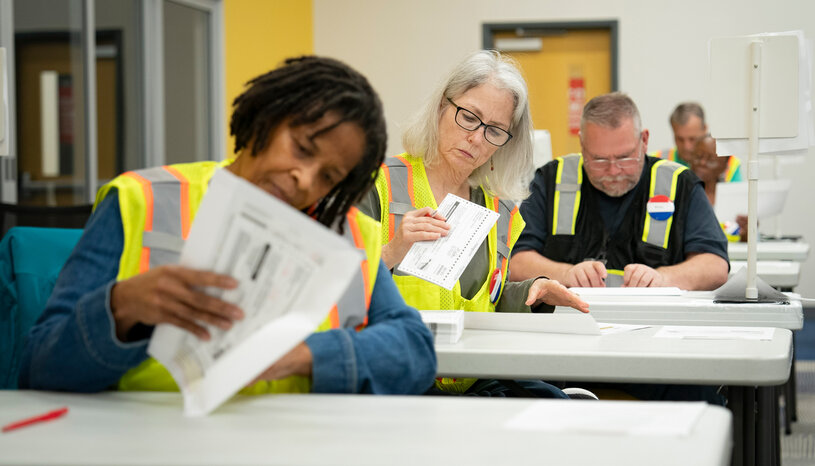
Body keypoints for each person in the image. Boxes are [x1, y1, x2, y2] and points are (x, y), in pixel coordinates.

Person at [18, 56, 437, 396]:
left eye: (329, 177)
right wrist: (122, 306)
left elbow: (414, 352)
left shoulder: (350, 233)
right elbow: (40, 365)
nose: (305, 179)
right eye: (301, 148)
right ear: (265, 119)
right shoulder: (141, 199)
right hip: (152, 442)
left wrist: (304, 355)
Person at [357, 50, 589, 398]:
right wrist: (390, 252)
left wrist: (532, 292)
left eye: (495, 130)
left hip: (473, 373)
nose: (478, 139)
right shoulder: (377, 184)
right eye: (469, 118)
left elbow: (485, 301)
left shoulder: (500, 206)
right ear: (441, 107)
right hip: (399, 374)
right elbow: (337, 291)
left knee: (555, 402)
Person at [510, 92, 730, 290]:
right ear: (582, 144)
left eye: (624, 157)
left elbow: (715, 266)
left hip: (654, 323)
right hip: (569, 322)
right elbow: (516, 261)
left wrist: (663, 278)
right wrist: (565, 274)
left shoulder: (680, 184)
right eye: (599, 159)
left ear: (644, 141)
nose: (613, 171)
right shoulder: (551, 180)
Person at [652, 102, 742, 182]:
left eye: (692, 139)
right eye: (680, 139)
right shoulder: (655, 161)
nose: (686, 146)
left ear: (705, 129)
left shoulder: (730, 164)